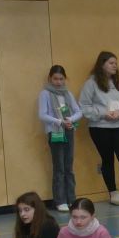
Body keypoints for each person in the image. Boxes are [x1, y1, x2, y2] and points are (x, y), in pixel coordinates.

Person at [78, 51, 119, 205]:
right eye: (111, 63)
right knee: (108, 160)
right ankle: (114, 193)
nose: (114, 66)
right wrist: (103, 113)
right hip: (100, 128)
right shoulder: (91, 83)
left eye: (116, 63)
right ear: (102, 64)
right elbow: (84, 107)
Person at [37, 64, 81, 210]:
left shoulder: (67, 93)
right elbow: (42, 114)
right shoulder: (45, 94)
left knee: (69, 166)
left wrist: (70, 120)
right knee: (59, 167)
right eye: (55, 79)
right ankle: (60, 200)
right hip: (55, 131)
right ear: (50, 78)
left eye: (61, 79)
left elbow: (78, 111)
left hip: (68, 130)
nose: (58, 82)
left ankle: (71, 199)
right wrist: (59, 121)